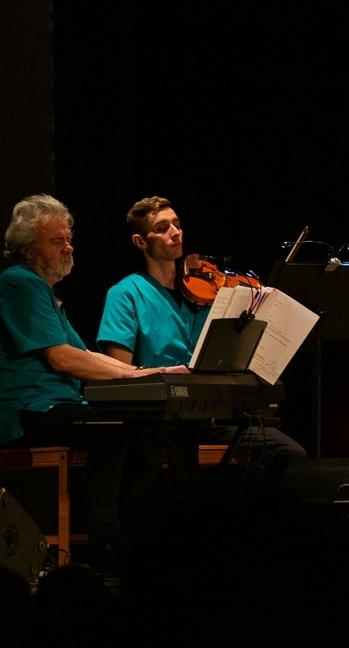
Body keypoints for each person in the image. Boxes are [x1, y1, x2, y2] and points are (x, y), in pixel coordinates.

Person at [0, 194, 187, 559]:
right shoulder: (19, 283)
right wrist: (142, 375)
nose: (68, 247)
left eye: (68, 239)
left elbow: (85, 354)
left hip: (52, 406)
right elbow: (63, 359)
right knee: (112, 430)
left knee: (141, 428)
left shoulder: (42, 289)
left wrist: (149, 373)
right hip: (20, 410)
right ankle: (107, 542)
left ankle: (139, 536)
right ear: (28, 250)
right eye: (57, 241)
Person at [97, 196, 306, 478]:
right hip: (163, 417)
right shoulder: (125, 294)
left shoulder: (206, 290)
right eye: (162, 228)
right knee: (183, 466)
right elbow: (119, 371)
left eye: (177, 224)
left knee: (287, 453)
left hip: (214, 410)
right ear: (140, 242)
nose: (175, 232)